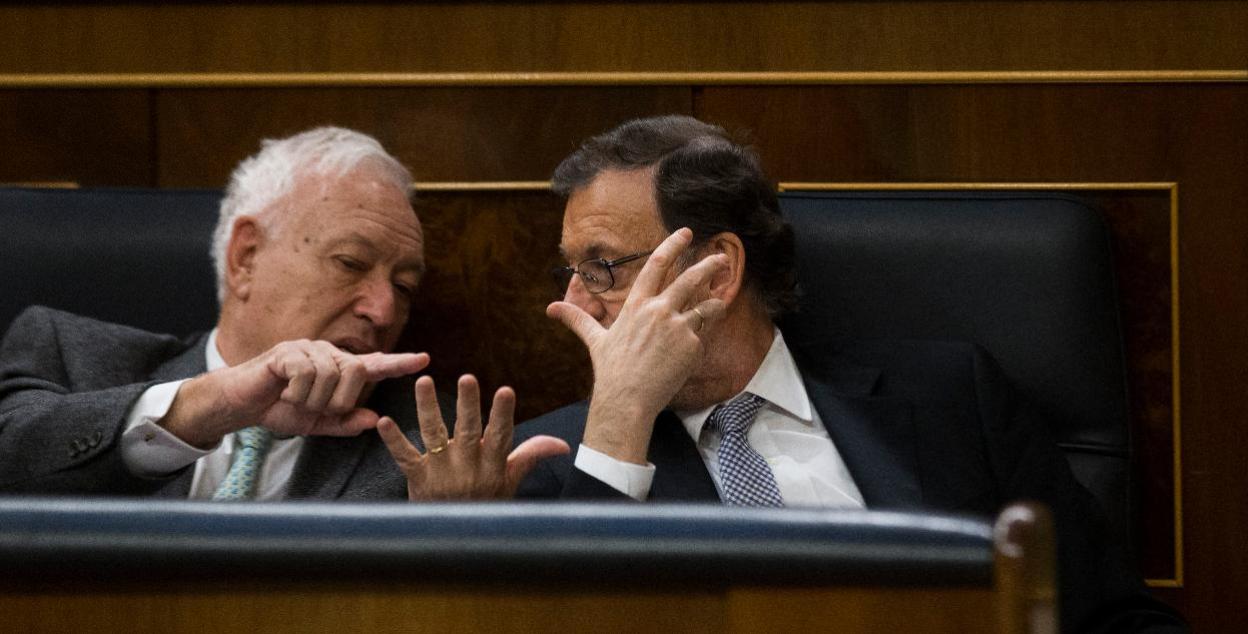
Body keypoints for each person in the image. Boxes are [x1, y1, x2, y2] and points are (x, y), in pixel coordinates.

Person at [513, 115, 1186, 632]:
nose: (573, 302)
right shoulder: (554, 462)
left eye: (600, 267)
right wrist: (620, 417)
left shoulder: (954, 398)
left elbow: (1114, 620)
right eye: (568, 270)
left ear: (716, 271)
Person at [0, 126, 567, 500]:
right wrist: (211, 404)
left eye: (404, 285)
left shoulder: (427, 445)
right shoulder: (66, 355)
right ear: (246, 256)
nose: (384, 310)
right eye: (350, 263)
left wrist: (451, 532)